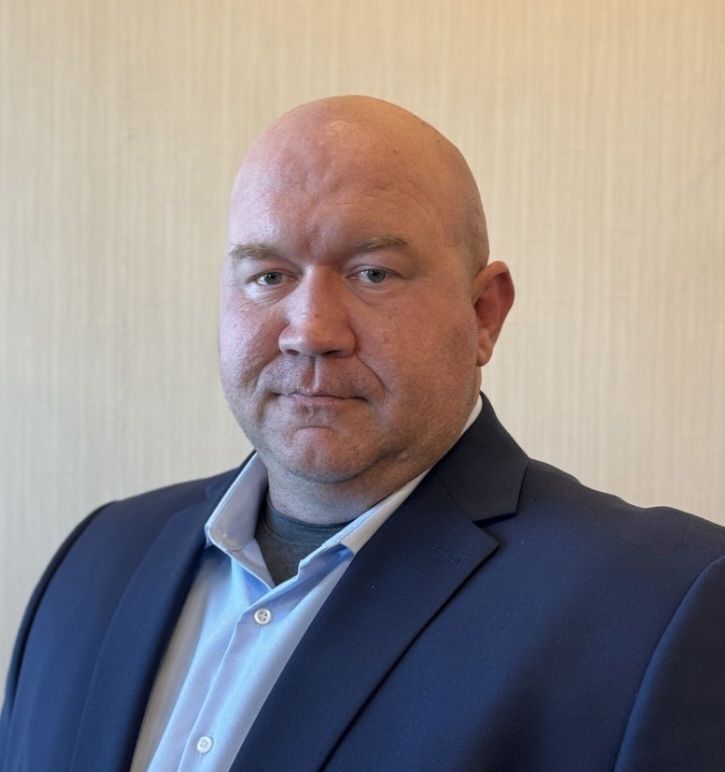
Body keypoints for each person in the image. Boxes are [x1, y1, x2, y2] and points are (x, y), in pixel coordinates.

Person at [1, 96, 724, 772]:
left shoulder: (664, 606)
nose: (310, 331)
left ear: (483, 314)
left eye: (373, 273)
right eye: (268, 276)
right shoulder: (95, 558)